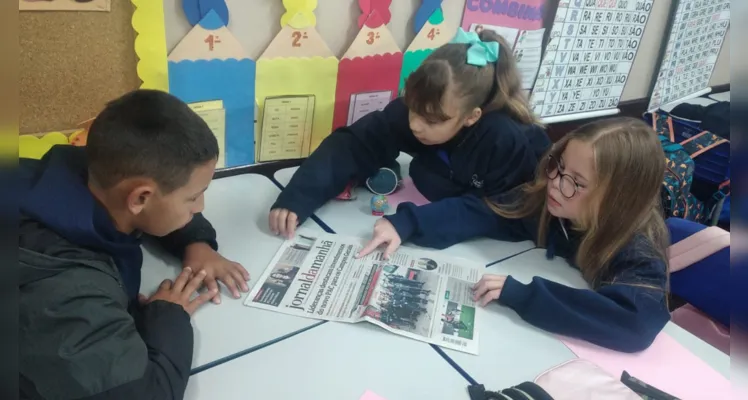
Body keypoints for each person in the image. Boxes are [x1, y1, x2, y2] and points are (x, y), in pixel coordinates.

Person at [360, 117, 671, 352]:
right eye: (557, 167)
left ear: (617, 199)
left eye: (575, 181)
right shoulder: (551, 204)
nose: (554, 183)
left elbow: (636, 322)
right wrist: (407, 223)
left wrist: (523, 295)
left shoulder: (637, 252)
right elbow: (486, 212)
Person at [19, 89, 250, 399]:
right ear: (140, 198)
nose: (200, 207)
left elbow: (149, 201)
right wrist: (168, 316)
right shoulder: (68, 292)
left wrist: (196, 243)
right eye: (194, 197)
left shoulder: (82, 169)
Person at [269, 28, 550, 240]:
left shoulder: (502, 138)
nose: (416, 125)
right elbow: (355, 142)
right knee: (421, 172)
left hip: (520, 219)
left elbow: (502, 212)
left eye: (430, 120)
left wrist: (411, 223)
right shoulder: (420, 110)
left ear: (471, 117)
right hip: (456, 187)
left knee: (427, 175)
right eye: (413, 109)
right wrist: (298, 198)